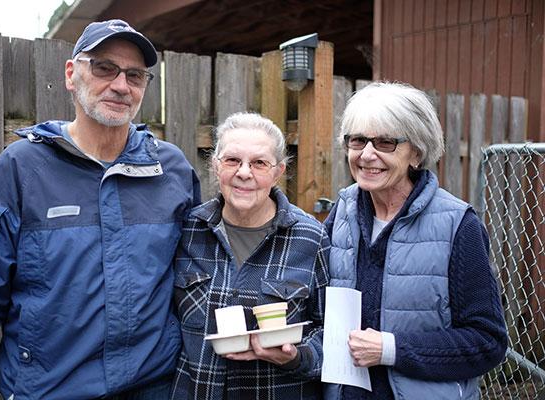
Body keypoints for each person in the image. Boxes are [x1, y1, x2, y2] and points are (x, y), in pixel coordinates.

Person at [0, 19, 200, 400]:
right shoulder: (24, 167)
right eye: (104, 68)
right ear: (71, 74)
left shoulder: (171, 169)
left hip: (155, 388)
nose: (120, 85)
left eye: (134, 75)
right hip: (49, 390)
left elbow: (200, 275)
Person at [323, 81, 507, 399]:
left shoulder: (457, 224)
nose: (367, 154)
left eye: (385, 142)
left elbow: (486, 342)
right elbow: (316, 310)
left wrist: (391, 349)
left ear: (416, 153)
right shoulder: (342, 212)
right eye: (357, 141)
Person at [170, 112, 330, 400]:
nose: (244, 172)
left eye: (259, 163)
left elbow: (331, 330)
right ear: (216, 166)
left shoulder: (311, 237)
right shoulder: (187, 230)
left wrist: (297, 356)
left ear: (278, 171)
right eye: (232, 160)